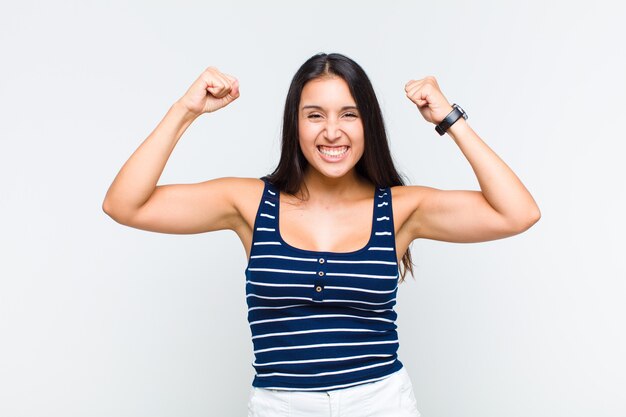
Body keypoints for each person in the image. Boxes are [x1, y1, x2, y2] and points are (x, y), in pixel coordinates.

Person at [102, 52, 540, 416]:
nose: (332, 131)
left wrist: (448, 118)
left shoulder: (402, 209)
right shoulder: (251, 203)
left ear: (368, 123)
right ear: (295, 124)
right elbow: (125, 204)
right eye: (315, 115)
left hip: (379, 402)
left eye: (349, 115)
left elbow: (518, 213)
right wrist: (186, 109)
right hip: (281, 405)